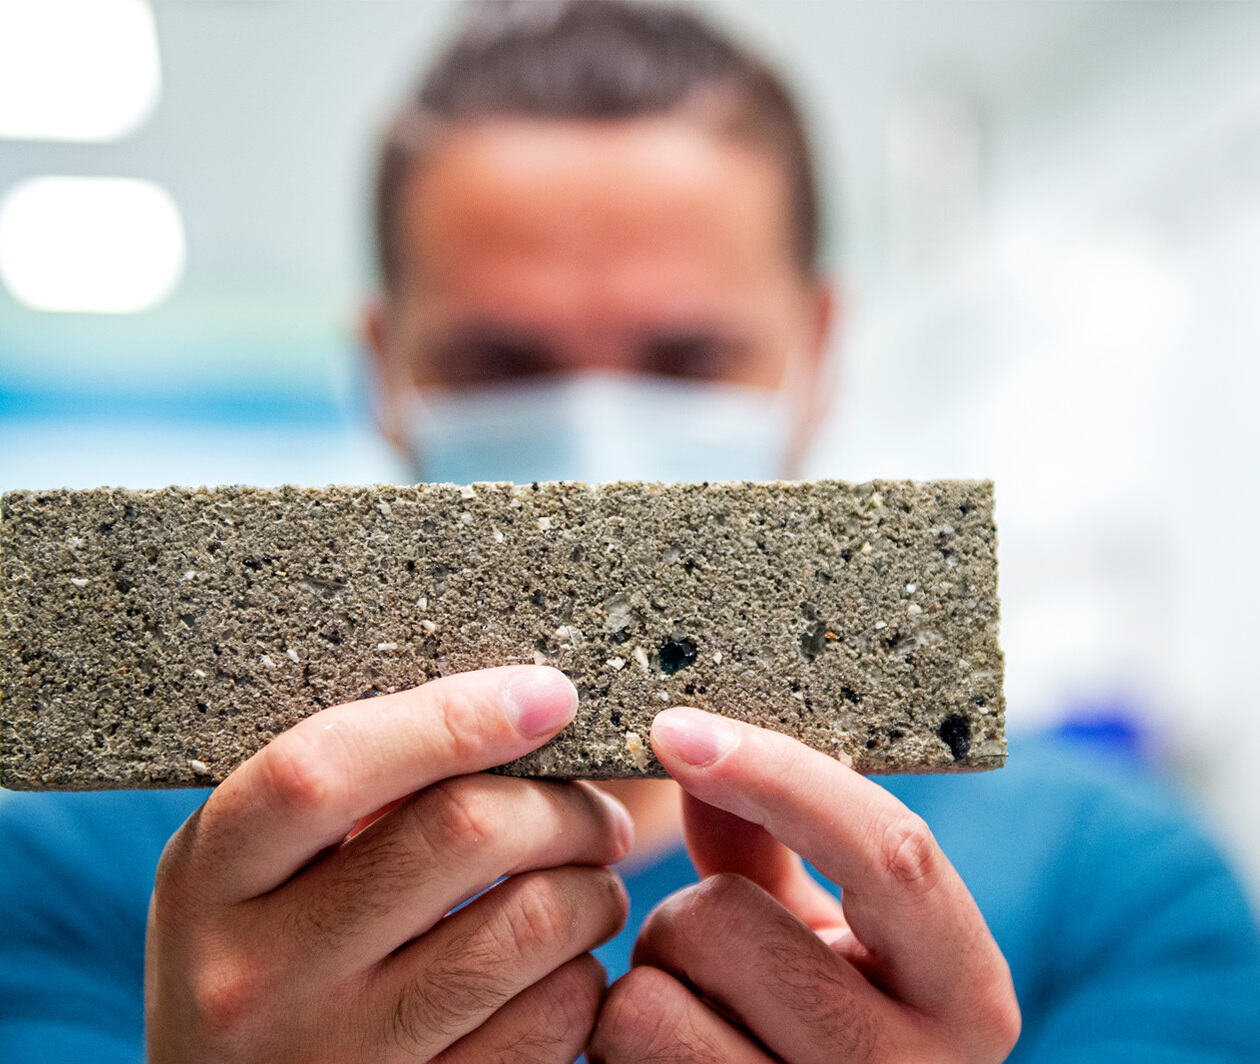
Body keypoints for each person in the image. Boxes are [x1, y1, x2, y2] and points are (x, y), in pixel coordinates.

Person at [3, 2, 1259, 1061]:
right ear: (385, 371)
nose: (597, 450)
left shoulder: (1117, 881)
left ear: (818, 351)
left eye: (686, 359)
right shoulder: (78, 883)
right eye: (503, 362)